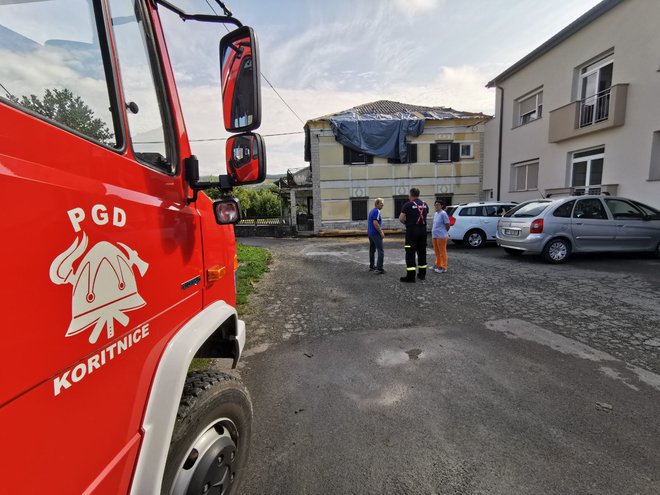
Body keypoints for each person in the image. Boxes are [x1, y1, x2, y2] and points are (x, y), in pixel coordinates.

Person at [398, 188, 429, 282]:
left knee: (410, 253)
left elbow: (401, 218)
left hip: (412, 233)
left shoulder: (408, 205)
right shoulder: (425, 205)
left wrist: (408, 223)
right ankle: (422, 274)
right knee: (422, 253)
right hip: (423, 232)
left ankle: (411, 277)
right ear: (418, 195)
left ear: (410, 195)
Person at [432, 199, 450, 273]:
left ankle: (443, 267)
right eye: (435, 205)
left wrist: (444, 232)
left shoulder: (443, 213)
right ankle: (438, 265)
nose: (436, 206)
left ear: (442, 206)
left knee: (442, 252)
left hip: (441, 236)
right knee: (437, 252)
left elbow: (447, 225)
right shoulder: (436, 213)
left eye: (438, 205)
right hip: (435, 236)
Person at [367, 198, 385, 274]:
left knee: (372, 250)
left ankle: (372, 266)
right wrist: (381, 232)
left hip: (370, 234)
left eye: (383, 204)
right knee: (380, 250)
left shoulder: (371, 211)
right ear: (377, 204)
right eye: (381, 204)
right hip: (375, 234)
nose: (382, 205)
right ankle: (379, 268)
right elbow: (375, 223)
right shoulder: (377, 211)